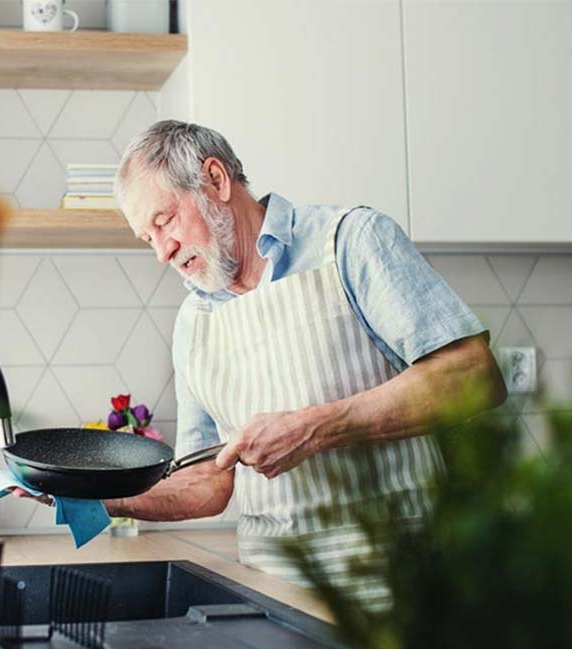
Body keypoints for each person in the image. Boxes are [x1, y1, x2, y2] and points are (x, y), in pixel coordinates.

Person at [99, 120, 506, 583]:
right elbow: (205, 481)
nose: (162, 252)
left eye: (164, 221)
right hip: (275, 592)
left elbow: (475, 375)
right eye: (147, 238)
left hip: (404, 580)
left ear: (216, 179)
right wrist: (98, 499)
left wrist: (315, 429)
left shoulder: (350, 241)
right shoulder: (194, 322)